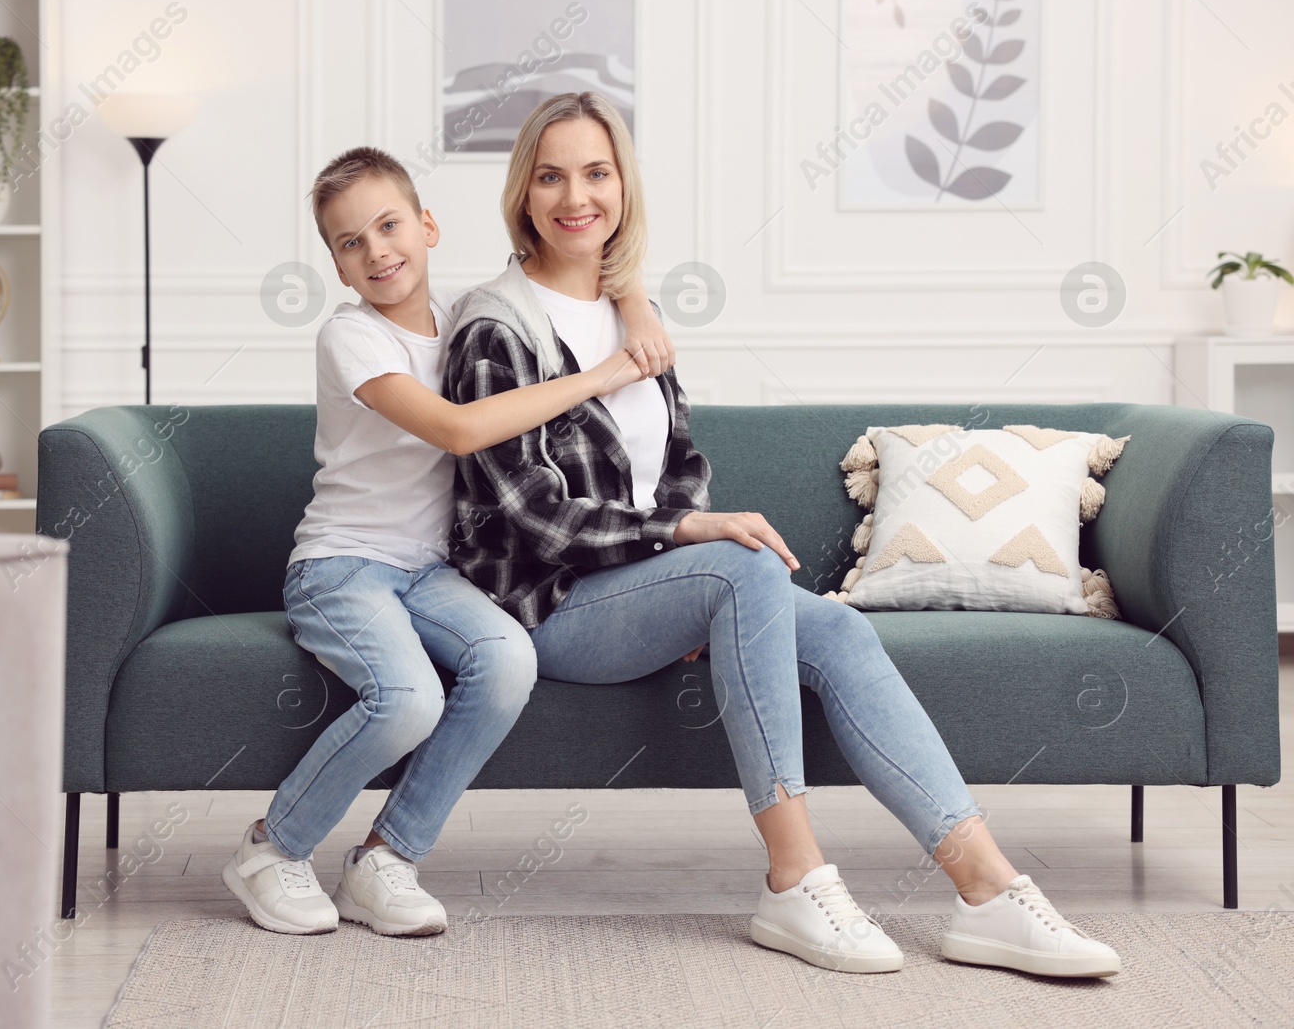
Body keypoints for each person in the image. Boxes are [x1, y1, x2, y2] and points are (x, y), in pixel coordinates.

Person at [440, 92, 1121, 977]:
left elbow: (679, 460)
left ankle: (987, 889)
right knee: (740, 563)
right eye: (552, 175)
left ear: (624, 184)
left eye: (598, 172)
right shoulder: (494, 327)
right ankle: (793, 876)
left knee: (835, 624)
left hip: (635, 588)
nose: (578, 195)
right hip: (548, 605)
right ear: (522, 193)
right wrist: (681, 547)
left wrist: (677, 577)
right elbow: (529, 512)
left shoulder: (631, 316)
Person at [223, 145, 674, 938]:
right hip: (342, 567)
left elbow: (598, 260)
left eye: (390, 225)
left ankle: (387, 856)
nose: (378, 250)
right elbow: (461, 431)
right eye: (350, 242)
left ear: (428, 227)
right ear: (336, 266)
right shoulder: (351, 338)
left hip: (431, 570)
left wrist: (637, 308)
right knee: (407, 699)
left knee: (507, 660)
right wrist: (600, 375)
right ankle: (272, 848)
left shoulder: (473, 315)